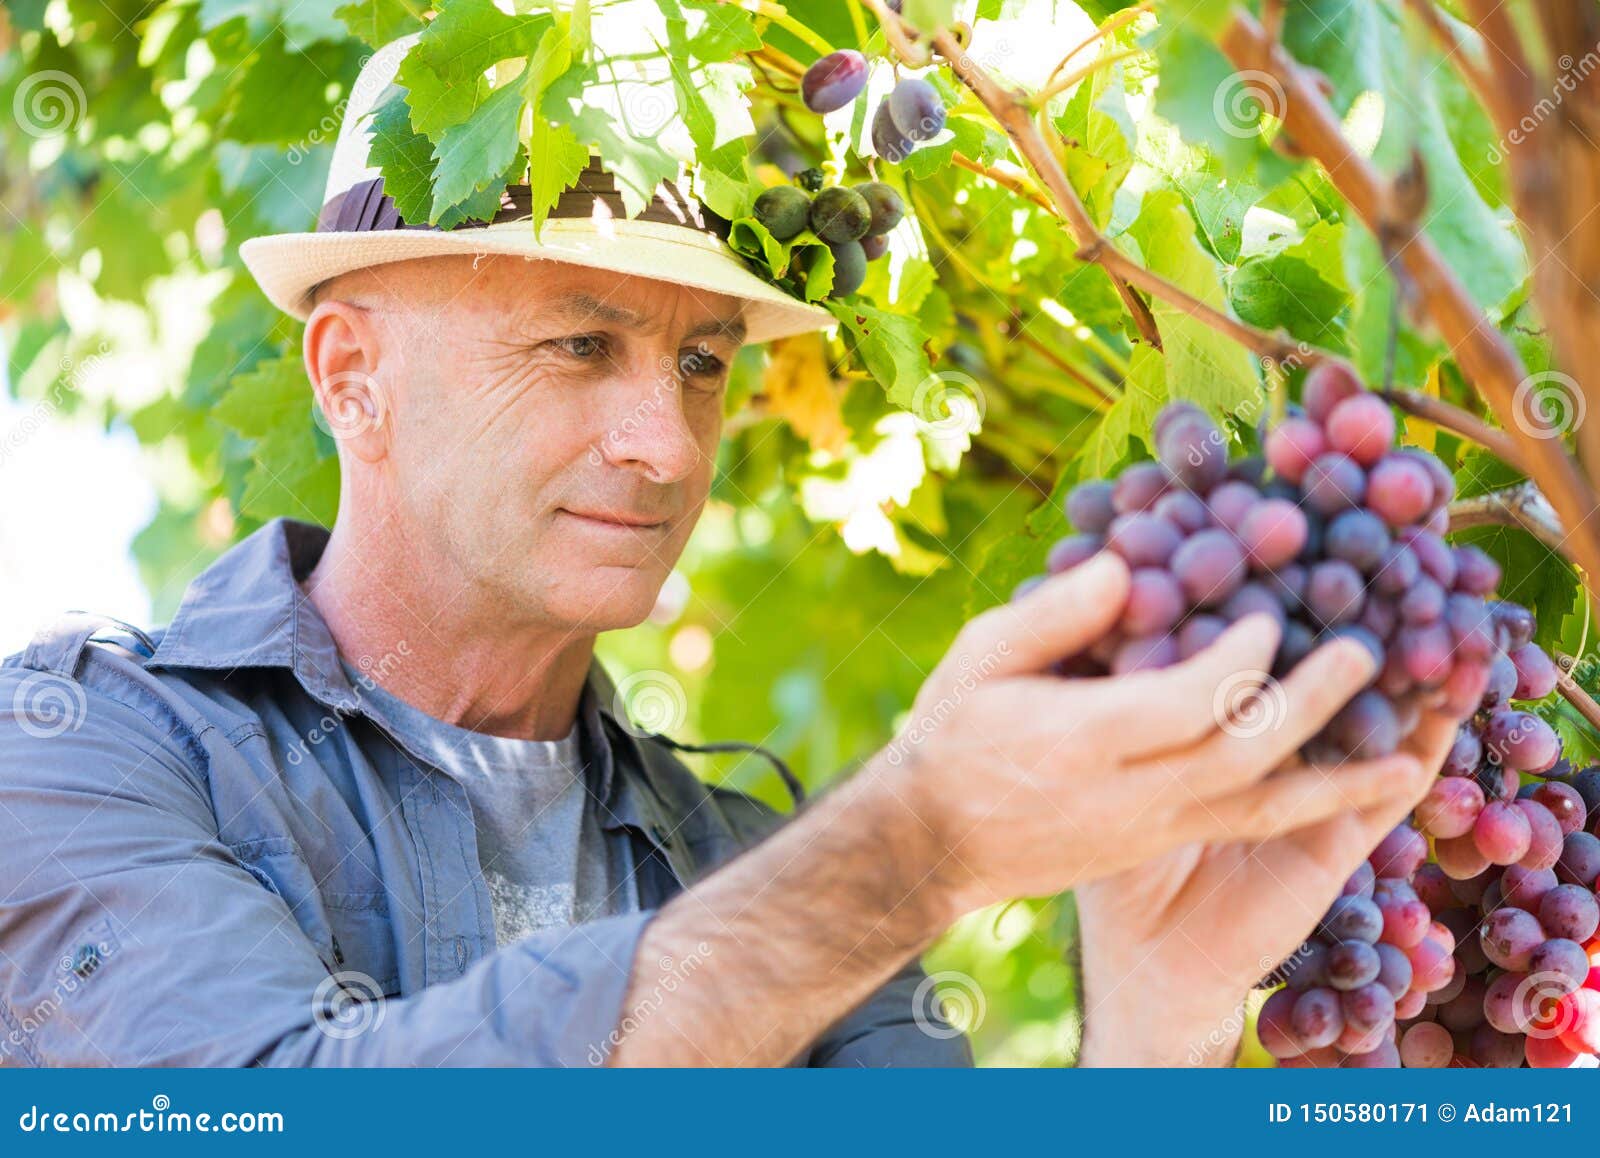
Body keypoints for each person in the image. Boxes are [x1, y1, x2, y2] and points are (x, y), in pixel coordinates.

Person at [0, 39, 1452, 1068]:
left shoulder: (755, 864)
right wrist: (915, 848)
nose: (669, 444)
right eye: (580, 344)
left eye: (702, 362)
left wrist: (1160, 1011)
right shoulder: (82, 752)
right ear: (349, 373)